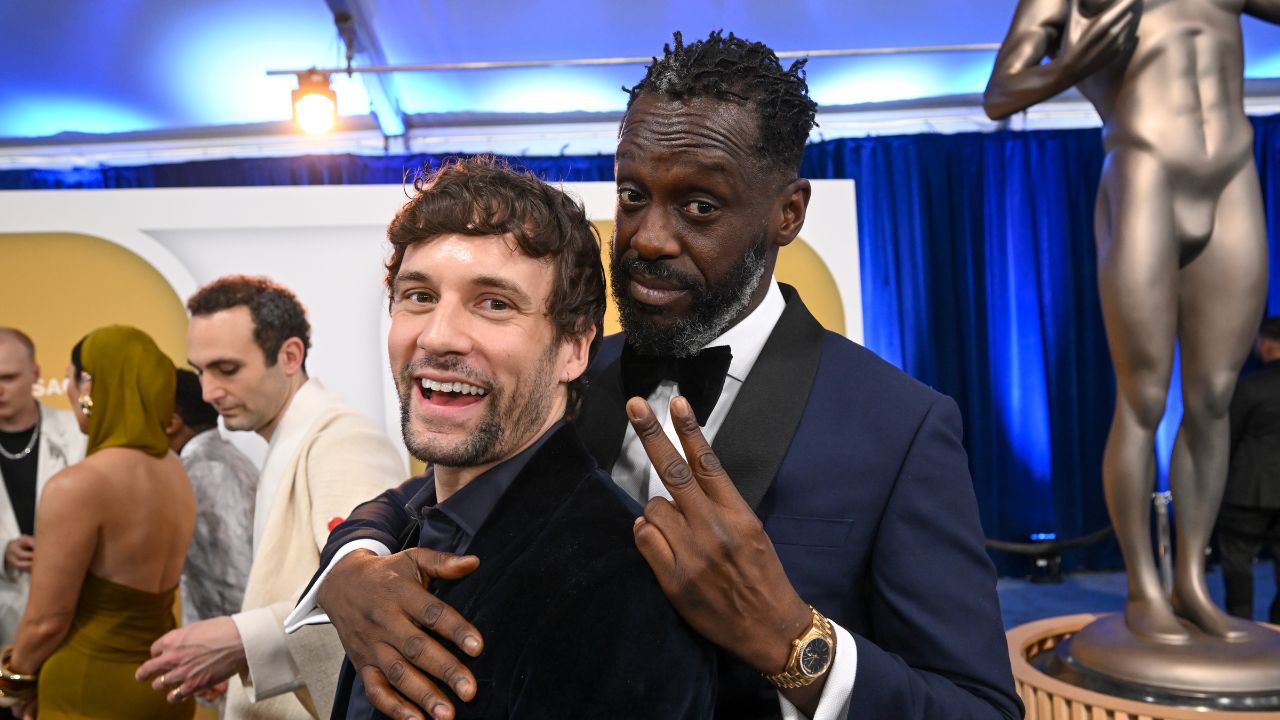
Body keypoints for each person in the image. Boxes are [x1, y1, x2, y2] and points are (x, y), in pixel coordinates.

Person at [302, 32, 1021, 720]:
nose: (647, 237)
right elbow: (424, 495)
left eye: (699, 206)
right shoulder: (574, 367)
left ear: (788, 213)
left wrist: (794, 642)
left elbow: (977, 708)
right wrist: (354, 566)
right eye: (634, 194)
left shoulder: (900, 426)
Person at [290, 156, 717, 719]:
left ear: (574, 349)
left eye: (494, 304)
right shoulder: (411, 522)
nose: (439, 336)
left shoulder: (618, 591)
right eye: (419, 296)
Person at [985, 0, 1277, 642]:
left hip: (1232, 175)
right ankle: (1143, 585)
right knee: (1142, 398)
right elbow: (999, 94)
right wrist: (1073, 64)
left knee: (1214, 399)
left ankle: (1190, 584)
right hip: (1144, 171)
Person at [136, 277, 403, 719]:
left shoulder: (342, 440)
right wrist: (246, 656)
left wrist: (241, 639)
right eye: (200, 371)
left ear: (290, 356)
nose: (207, 392)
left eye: (227, 369)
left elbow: (373, 598)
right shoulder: (294, 439)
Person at [3, 326, 194, 719]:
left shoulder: (79, 484)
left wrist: (13, 683)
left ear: (88, 386)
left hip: (89, 688)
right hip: (166, 684)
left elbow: (46, 623)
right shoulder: (176, 470)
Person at [0, 328, 84, 646]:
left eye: (8, 378)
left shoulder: (80, 436)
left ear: (35, 373)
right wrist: (3, 551)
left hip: (73, 615)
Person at [164, 367, 256, 626]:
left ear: (172, 422)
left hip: (227, 649)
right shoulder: (213, 460)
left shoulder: (205, 470)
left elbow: (231, 578)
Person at [1218, 316, 1280, 624]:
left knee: (1237, 559)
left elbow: (1228, 437)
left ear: (1266, 344)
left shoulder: (1249, 387)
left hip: (1247, 490)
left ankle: (1240, 624)